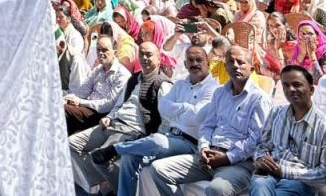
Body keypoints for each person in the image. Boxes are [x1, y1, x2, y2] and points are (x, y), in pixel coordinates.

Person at [147, 46, 273, 196]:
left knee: (216, 189)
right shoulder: (220, 93)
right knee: (158, 169)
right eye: (231, 62)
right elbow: (207, 126)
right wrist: (204, 148)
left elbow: (256, 139)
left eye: (241, 62)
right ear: (225, 67)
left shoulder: (259, 98)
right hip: (210, 156)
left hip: (239, 163)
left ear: (251, 68)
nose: (236, 66)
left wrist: (227, 158)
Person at [110, 45, 218, 196]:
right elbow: (163, 107)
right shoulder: (180, 85)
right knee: (129, 158)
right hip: (172, 136)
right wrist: (186, 108)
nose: (195, 64)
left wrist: (177, 109)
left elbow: (197, 116)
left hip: (191, 142)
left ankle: (115, 149)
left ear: (208, 63)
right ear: (185, 64)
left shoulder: (213, 88)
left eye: (199, 60)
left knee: (157, 141)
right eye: (191, 60)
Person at [73, 42, 171, 192]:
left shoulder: (162, 84)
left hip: (132, 130)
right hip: (114, 123)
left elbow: (166, 119)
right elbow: (119, 103)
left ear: (159, 58)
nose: (144, 58)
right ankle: (104, 182)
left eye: (149, 55)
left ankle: (113, 189)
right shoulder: (134, 79)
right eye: (141, 54)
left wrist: (152, 140)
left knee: (99, 157)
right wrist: (109, 117)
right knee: (72, 144)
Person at [250, 65, 326, 195]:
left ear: (311, 90)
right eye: (285, 85)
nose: (290, 89)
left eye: (297, 85)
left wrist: (283, 171)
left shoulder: (325, 127)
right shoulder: (276, 113)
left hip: (300, 182)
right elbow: (262, 146)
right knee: (259, 184)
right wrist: (261, 158)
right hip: (269, 175)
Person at [64, 35, 131, 134]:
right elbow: (82, 91)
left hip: (102, 114)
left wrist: (80, 102)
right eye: (98, 50)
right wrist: (68, 99)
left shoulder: (121, 74)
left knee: (63, 110)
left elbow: (109, 104)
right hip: (88, 107)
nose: (100, 53)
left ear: (115, 52)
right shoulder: (98, 69)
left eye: (104, 50)